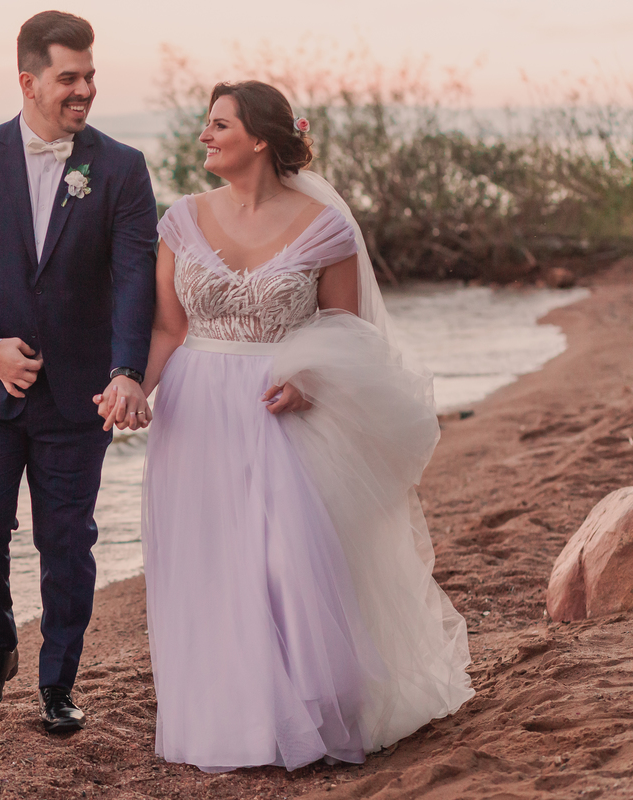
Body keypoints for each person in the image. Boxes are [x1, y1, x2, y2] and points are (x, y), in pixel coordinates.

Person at [126, 80, 475, 770]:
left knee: (286, 565)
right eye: (207, 124)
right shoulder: (181, 220)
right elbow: (169, 327)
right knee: (212, 563)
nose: (205, 135)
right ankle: (234, 722)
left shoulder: (327, 229)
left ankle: (311, 710)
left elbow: (348, 335)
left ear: (259, 137)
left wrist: (307, 382)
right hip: (195, 409)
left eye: (218, 124)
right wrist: (134, 389)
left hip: (278, 409)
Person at [0, 10, 158, 733]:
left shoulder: (120, 167)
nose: (83, 90)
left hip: (80, 393)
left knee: (66, 542)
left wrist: (126, 371)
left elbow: (134, 280)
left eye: (90, 77)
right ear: (28, 81)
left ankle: (58, 684)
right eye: (68, 78)